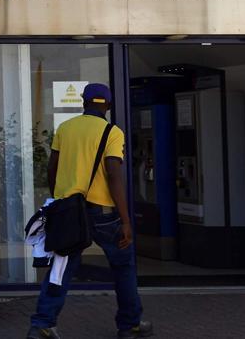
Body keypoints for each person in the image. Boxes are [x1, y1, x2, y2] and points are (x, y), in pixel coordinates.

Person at [27, 83, 153, 339]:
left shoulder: (65, 128)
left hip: (70, 211)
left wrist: (60, 199)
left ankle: (42, 324)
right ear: (107, 105)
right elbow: (114, 175)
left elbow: (52, 168)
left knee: (60, 268)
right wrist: (126, 220)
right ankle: (130, 325)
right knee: (123, 267)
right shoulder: (112, 132)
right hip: (104, 212)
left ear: (83, 102)